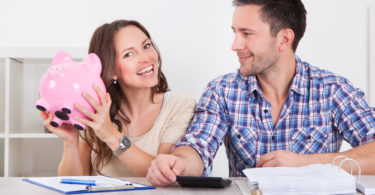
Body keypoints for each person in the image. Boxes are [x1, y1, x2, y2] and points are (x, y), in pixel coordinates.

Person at [146, 0, 375, 186]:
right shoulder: (222, 91)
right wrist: (177, 163)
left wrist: (307, 164)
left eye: (247, 33)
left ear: (284, 39)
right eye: (235, 32)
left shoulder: (333, 90)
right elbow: (198, 146)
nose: (235, 45)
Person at [40, 20, 196, 177]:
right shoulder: (96, 110)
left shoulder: (180, 106)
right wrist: (70, 142)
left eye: (147, 46)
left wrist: (111, 135)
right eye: (129, 54)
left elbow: (166, 174)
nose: (146, 59)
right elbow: (73, 184)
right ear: (111, 69)